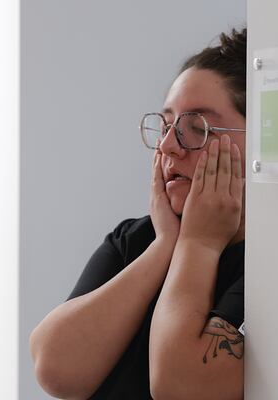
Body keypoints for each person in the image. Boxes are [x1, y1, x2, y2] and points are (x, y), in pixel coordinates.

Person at [30, 28, 247, 400]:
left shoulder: (271, 270)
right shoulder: (135, 238)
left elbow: (180, 387)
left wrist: (200, 244)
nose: (167, 147)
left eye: (197, 129)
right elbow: (55, 370)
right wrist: (165, 246)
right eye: (166, 125)